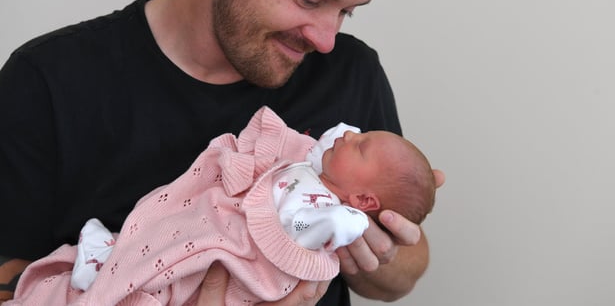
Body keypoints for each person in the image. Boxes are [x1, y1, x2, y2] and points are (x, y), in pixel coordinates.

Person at [0, 0, 445, 304]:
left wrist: (377, 251)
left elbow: (403, 272)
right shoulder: (49, 80)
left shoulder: (351, 71)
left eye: (347, 11)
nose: (326, 38)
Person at [7, 106, 436, 306]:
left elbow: (401, 275)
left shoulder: (332, 211)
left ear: (363, 201)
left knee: (173, 279)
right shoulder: (45, 77)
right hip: (197, 226)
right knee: (155, 247)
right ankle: (112, 263)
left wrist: (368, 238)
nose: (349, 134)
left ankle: (118, 281)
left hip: (233, 266)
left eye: (360, 144)